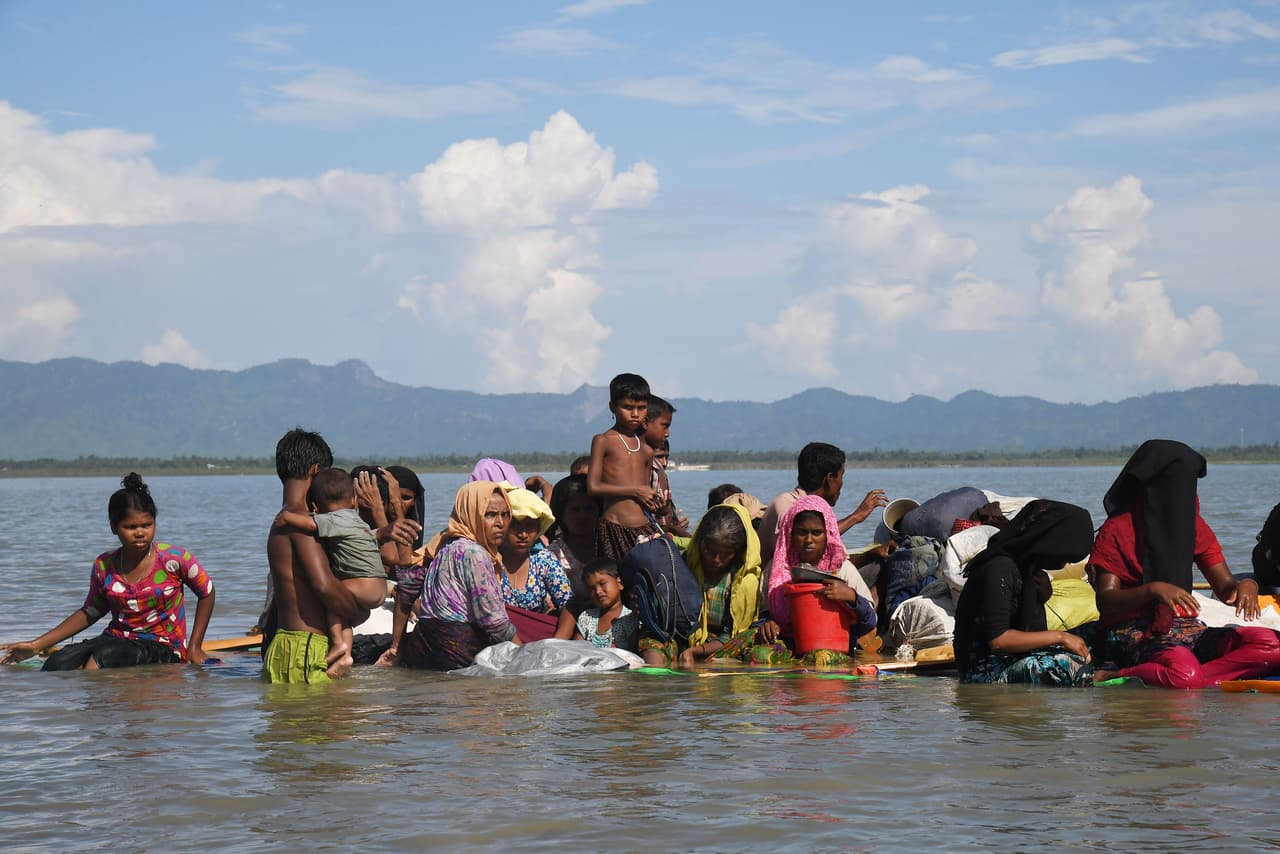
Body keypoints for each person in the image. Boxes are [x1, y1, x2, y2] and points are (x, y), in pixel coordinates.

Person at [1090, 439, 1280, 689]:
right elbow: (1106, 600)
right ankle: (1122, 674)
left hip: (1186, 629)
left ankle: (1192, 677)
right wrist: (1154, 590)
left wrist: (1248, 585)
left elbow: (1225, 589)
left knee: (1272, 645)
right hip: (1133, 632)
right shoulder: (1118, 529)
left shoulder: (1194, 527)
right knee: (1184, 674)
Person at [2, 473, 216, 670]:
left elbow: (207, 591)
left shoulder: (174, 559)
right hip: (116, 638)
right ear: (114, 527)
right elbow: (91, 612)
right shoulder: (104, 565)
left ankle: (102, 710)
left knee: (101, 659)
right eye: (130, 527)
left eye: (147, 525)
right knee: (57, 662)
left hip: (163, 645)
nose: (140, 532)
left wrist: (195, 646)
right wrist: (35, 645)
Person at [263, 428, 375, 684]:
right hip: (307, 647)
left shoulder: (283, 518)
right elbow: (323, 586)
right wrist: (358, 613)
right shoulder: (301, 521)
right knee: (332, 722)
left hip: (285, 645)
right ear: (316, 471)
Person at [953, 500, 1097, 686]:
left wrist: (1043, 595)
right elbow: (999, 640)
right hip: (985, 669)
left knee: (1100, 634)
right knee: (1066, 667)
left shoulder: (1028, 568)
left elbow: (1023, 616)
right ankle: (1095, 676)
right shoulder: (1000, 567)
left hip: (1016, 656)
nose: (1065, 563)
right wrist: (1061, 637)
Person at [273, 467, 391, 674]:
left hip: (364, 584)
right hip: (379, 585)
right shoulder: (357, 520)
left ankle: (339, 643)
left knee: (332, 596)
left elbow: (310, 524)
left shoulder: (332, 519)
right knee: (341, 614)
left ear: (316, 507)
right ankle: (345, 656)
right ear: (354, 501)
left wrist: (288, 518)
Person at [398, 482, 522, 670]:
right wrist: (523, 654)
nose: (500, 523)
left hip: (422, 647)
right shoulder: (475, 553)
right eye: (490, 514)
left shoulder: (443, 544)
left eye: (505, 514)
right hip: (456, 650)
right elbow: (493, 621)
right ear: (470, 513)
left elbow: (407, 590)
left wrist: (396, 646)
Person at [640, 504, 768, 667]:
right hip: (684, 637)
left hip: (723, 646)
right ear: (699, 543)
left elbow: (732, 635)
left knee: (753, 640)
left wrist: (697, 651)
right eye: (709, 550)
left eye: (725, 554)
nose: (716, 559)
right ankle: (655, 679)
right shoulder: (684, 564)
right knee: (650, 636)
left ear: (738, 552)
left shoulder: (743, 583)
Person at [764, 495, 886, 648]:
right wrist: (768, 624)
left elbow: (870, 621)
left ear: (828, 534)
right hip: (790, 652)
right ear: (791, 534)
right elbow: (763, 614)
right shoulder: (777, 570)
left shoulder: (842, 569)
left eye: (816, 533)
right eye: (802, 532)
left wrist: (851, 597)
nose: (809, 540)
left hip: (836, 652)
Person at [758, 442, 888, 571]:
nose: (841, 484)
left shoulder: (797, 505)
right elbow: (808, 565)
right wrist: (855, 517)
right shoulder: (787, 508)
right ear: (829, 479)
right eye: (841, 477)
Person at [587, 373, 664, 562]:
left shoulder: (646, 449)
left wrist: (657, 505)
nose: (635, 414)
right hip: (614, 528)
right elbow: (593, 487)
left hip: (645, 529)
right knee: (618, 586)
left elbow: (645, 492)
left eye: (641, 408)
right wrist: (635, 491)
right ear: (612, 406)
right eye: (628, 407)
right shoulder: (604, 440)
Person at [500, 488, 573, 613]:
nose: (523, 534)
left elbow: (568, 604)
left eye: (530, 526)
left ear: (538, 528)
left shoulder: (543, 559)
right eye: (515, 525)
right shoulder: (488, 561)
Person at [554, 559, 639, 651]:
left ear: (620, 584)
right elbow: (578, 651)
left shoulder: (631, 619)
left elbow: (634, 655)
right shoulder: (587, 617)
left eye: (602, 584)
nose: (598, 591)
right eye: (592, 589)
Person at [546, 474, 601, 602]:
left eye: (588, 508)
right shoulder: (552, 556)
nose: (583, 516)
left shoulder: (610, 546)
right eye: (574, 510)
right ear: (561, 513)